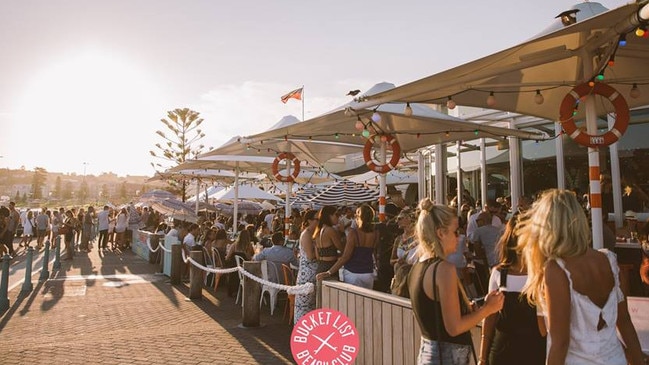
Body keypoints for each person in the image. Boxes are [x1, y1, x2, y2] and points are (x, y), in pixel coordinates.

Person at [519, 189, 646, 365]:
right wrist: (638, 361)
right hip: (615, 359)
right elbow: (624, 323)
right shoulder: (607, 259)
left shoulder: (557, 269)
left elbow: (560, 343)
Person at [408, 198, 504, 365]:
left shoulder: (418, 267)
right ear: (440, 233)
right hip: (447, 356)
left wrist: (469, 311)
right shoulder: (444, 269)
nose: (460, 237)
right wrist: (488, 309)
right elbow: (454, 328)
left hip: (427, 352)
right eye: (455, 232)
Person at [478, 214, 546, 365]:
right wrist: (482, 357)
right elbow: (489, 318)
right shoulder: (498, 273)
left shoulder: (542, 274)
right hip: (504, 350)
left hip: (535, 351)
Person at [316, 204, 378, 289]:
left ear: (358, 217)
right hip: (368, 272)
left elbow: (346, 256)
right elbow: (373, 253)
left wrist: (329, 272)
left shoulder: (353, 233)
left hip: (353, 272)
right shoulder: (375, 234)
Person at [294, 209, 318, 323]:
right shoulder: (307, 234)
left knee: (310, 307)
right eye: (316, 219)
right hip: (307, 274)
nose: (318, 222)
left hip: (309, 273)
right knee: (306, 307)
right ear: (309, 220)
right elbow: (310, 256)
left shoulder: (311, 233)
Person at [313, 206, 342, 276]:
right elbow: (342, 248)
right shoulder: (330, 230)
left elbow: (317, 254)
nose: (338, 217)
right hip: (330, 267)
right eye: (336, 215)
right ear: (329, 216)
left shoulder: (318, 231)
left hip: (320, 265)